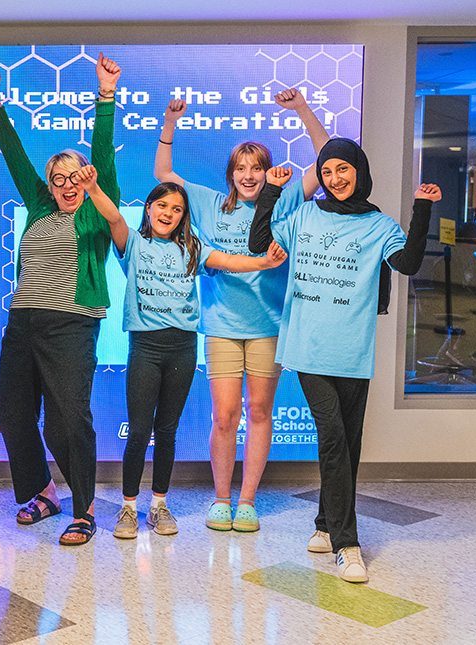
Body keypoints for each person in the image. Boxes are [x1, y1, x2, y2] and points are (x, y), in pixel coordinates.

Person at [248, 138, 440, 582]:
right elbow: (261, 242)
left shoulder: (379, 225)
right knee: (333, 437)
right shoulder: (305, 214)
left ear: (358, 171)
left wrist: (421, 208)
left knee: (348, 443)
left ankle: (322, 522)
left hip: (353, 350)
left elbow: (408, 263)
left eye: (343, 170)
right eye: (327, 171)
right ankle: (346, 543)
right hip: (308, 347)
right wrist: (273, 193)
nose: (334, 179)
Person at [73, 169, 286, 538]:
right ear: (150, 209)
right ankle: (128, 508)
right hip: (145, 348)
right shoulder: (134, 245)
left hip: (183, 348)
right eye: (161, 205)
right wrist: (92, 188)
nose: (168, 213)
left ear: (184, 216)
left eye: (176, 208)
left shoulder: (193, 248)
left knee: (167, 430)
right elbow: (113, 217)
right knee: (139, 431)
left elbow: (231, 261)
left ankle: (158, 505)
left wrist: (265, 263)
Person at [154, 89, 330, 533]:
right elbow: (163, 174)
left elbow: (329, 159)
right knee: (225, 415)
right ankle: (221, 499)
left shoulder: (285, 199)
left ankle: (247, 500)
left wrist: (301, 109)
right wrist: (170, 122)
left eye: (257, 168)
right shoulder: (211, 204)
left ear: (268, 172)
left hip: (269, 326)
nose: (249, 176)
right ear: (230, 173)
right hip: (222, 327)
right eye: (241, 168)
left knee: (259, 412)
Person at [0, 53, 120, 546]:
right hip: (23, 323)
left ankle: (83, 509)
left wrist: (105, 96)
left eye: (74, 177)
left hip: (71, 325)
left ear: (86, 180)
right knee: (11, 411)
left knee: (69, 418)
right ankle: (42, 491)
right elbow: (14, 155)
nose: (66, 185)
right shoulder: (39, 205)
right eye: (57, 178)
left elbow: (102, 156)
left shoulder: (94, 214)